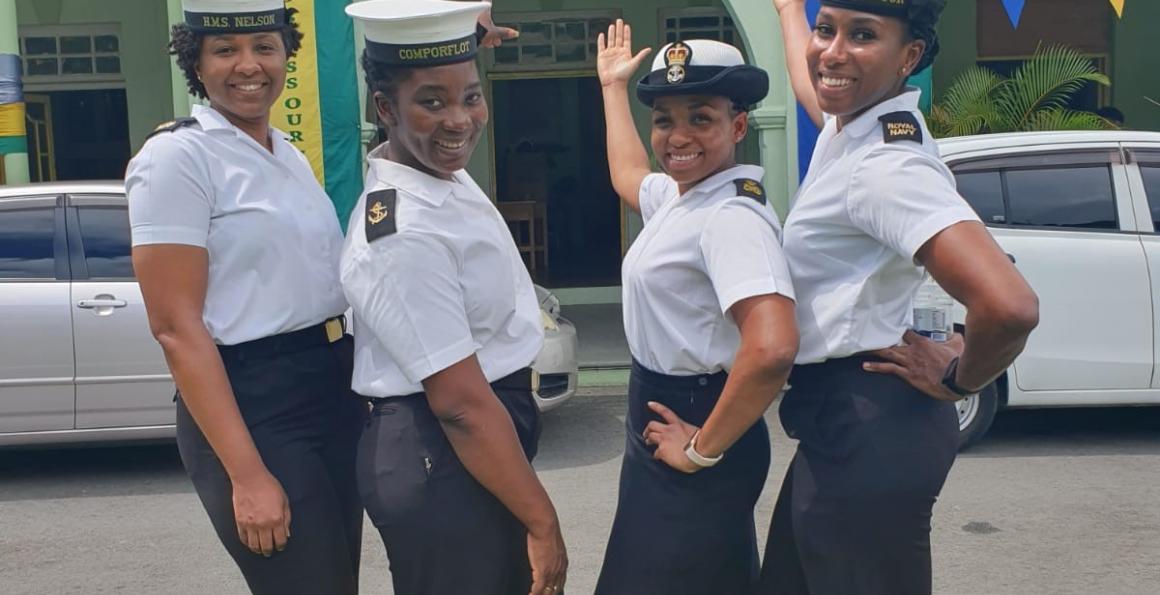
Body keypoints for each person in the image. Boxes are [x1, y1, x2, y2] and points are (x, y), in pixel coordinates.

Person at [758, 1, 1040, 594]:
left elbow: (1010, 305)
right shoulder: (855, 128)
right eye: (826, 30)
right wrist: (788, 11)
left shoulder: (884, 167)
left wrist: (961, 379)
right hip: (850, 421)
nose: (831, 52)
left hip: (870, 423)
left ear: (909, 56)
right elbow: (813, 85)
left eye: (862, 36)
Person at [125, 1, 365, 593]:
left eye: (264, 45)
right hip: (254, 403)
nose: (248, 65)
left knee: (339, 580)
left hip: (331, 383)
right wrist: (248, 473)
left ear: (287, 53)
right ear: (196, 65)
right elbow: (176, 326)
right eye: (225, 50)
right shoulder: (177, 157)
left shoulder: (285, 153)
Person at [339, 2, 567, 594]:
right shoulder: (402, 231)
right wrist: (542, 522)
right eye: (431, 102)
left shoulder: (437, 175)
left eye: (471, 97)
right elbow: (460, 403)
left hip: (467, 446)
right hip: (439, 453)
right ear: (385, 109)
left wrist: (458, 34)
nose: (460, 120)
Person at [592, 20, 799, 595]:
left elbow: (773, 345)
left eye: (700, 118)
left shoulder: (731, 216)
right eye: (664, 120)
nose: (677, 136)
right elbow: (630, 176)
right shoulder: (687, 198)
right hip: (664, 412)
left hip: (699, 415)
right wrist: (612, 89)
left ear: (737, 125)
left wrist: (702, 450)